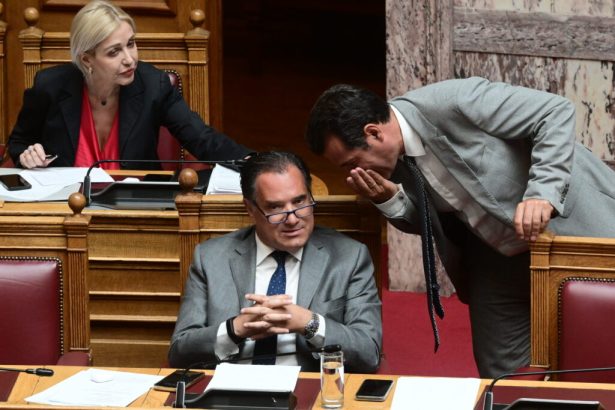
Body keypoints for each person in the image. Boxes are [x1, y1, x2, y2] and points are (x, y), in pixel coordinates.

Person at [305, 78, 615, 378]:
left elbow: (554, 111)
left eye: (352, 162)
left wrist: (542, 193)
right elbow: (430, 226)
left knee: (601, 350)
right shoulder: (389, 164)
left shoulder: (454, 101)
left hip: (572, 230)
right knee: (502, 376)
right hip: (495, 257)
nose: (353, 173)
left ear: (374, 133)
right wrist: (389, 200)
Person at [168, 151, 382, 372]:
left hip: (308, 387)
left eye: (300, 201)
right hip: (232, 387)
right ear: (250, 209)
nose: (292, 219)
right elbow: (179, 353)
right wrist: (235, 329)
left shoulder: (349, 257)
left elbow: (368, 353)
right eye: (275, 207)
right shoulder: (210, 258)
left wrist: (309, 323)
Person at [7, 0, 250, 170]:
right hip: (66, 206)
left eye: (131, 44)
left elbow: (201, 138)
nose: (130, 59)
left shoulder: (154, 85)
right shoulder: (50, 86)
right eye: (114, 52)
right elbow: (18, 144)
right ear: (87, 60)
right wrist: (27, 156)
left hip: (134, 206)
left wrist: (252, 162)